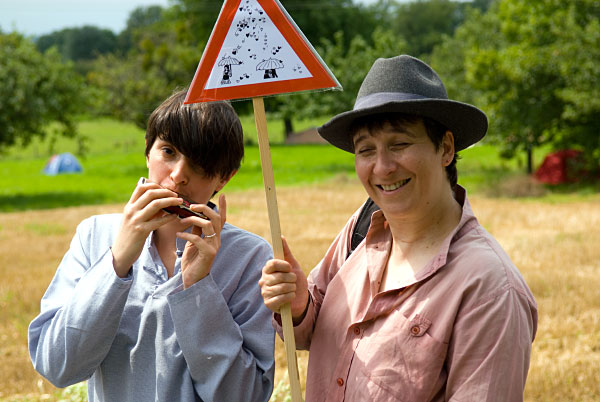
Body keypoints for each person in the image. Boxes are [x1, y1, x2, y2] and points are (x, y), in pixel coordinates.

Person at [259, 55, 538, 401]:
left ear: (446, 148)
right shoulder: (361, 229)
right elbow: (305, 332)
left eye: (400, 144)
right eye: (366, 150)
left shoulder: (490, 288)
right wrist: (298, 304)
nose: (383, 167)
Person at [29, 89, 275, 402]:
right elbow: (56, 366)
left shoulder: (249, 257)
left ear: (224, 178)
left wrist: (198, 288)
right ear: (148, 150)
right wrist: (116, 262)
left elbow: (243, 396)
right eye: (168, 151)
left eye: (200, 164)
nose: (177, 176)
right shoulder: (94, 236)